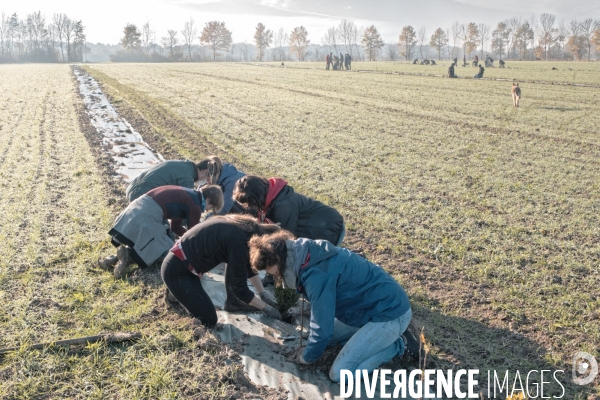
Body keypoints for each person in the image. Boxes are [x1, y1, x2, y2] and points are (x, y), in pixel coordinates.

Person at [248, 231, 417, 382]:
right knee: (327, 340)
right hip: (367, 309)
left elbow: (322, 328)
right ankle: (373, 336)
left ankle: (397, 345)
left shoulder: (315, 274)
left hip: (390, 313)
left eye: (274, 272)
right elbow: (322, 322)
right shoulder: (303, 255)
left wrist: (306, 357)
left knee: (339, 374)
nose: (276, 277)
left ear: (280, 260)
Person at [161, 215, 283, 327]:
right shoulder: (239, 242)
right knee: (209, 319)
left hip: (185, 266)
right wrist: (266, 308)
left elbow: (247, 266)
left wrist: (263, 294)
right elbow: (239, 288)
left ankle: (181, 292)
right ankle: (176, 293)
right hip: (178, 272)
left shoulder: (246, 228)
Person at [100, 185, 224, 278]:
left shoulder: (188, 194)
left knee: (159, 243)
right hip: (146, 216)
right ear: (208, 200)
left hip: (138, 208)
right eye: (210, 208)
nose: (206, 211)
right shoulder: (195, 206)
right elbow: (193, 237)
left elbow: (175, 227)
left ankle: (111, 260)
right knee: (168, 252)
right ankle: (126, 257)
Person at [233, 176, 345, 245]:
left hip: (329, 229)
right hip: (325, 224)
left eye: (250, 202)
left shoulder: (283, 206)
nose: (249, 206)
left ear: (257, 196)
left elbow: (287, 239)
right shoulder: (271, 195)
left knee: (289, 242)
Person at [125, 156, 222, 203]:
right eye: (208, 178)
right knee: (163, 229)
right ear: (205, 172)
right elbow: (186, 207)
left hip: (132, 188)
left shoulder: (183, 165)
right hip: (140, 195)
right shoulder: (186, 179)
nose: (207, 182)